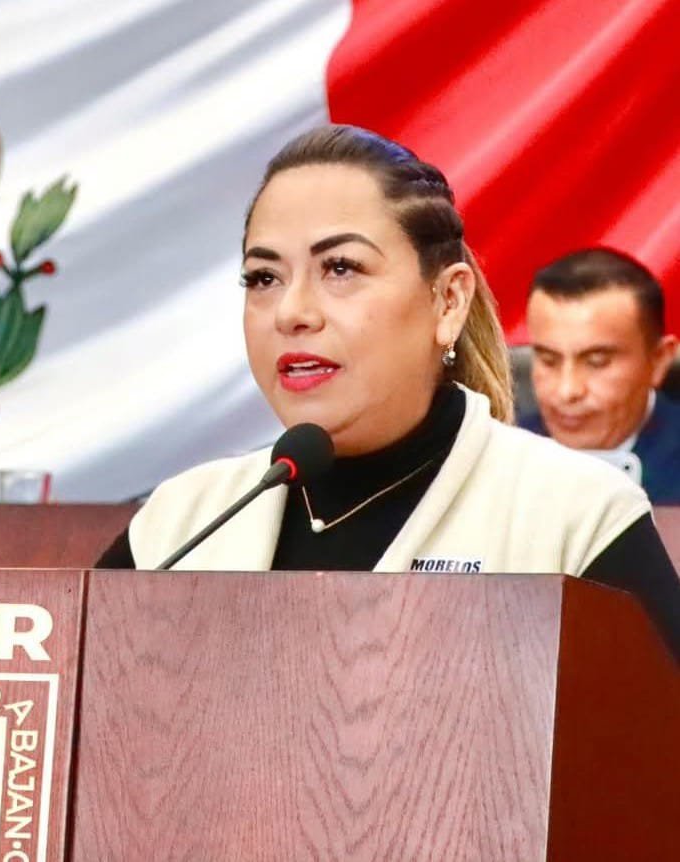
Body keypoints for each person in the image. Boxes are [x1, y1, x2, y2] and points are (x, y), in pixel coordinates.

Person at [97, 125, 680, 661]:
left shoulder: (574, 517)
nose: (292, 312)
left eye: (341, 268)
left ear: (447, 301)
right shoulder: (181, 522)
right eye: (264, 278)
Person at [519, 248, 680, 503]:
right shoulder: (499, 455)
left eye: (597, 362)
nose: (567, 390)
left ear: (659, 360)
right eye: (549, 361)